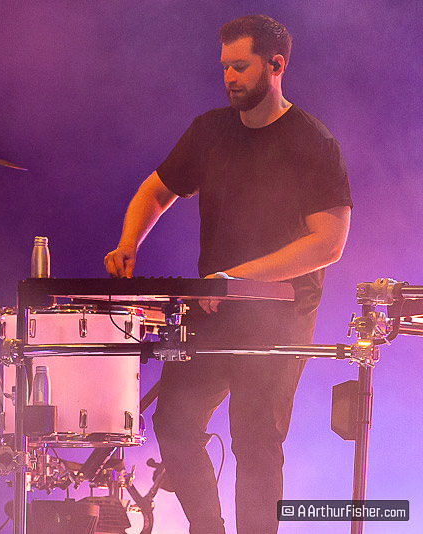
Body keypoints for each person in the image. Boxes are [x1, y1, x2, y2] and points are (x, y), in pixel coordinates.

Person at [104, 15, 352, 534]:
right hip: (214, 310)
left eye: (240, 66)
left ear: (276, 65)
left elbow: (328, 243)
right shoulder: (209, 131)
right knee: (174, 422)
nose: (229, 77)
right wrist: (129, 242)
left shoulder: (313, 143)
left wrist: (237, 277)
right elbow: (156, 190)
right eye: (224, 67)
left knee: (255, 441)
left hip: (280, 318)